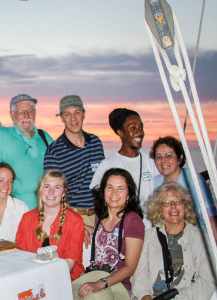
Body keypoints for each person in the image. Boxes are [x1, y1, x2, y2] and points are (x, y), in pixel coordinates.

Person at [131, 182, 216, 299]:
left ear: (186, 206)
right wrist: (146, 297)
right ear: (159, 209)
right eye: (166, 203)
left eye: (178, 201)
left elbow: (207, 281)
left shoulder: (201, 239)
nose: (173, 206)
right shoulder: (148, 237)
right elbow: (139, 274)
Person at [44, 95, 105, 250]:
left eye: (77, 112)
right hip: (73, 216)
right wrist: (78, 224)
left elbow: (103, 180)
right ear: (62, 118)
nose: (73, 118)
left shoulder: (96, 142)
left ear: (83, 114)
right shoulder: (54, 152)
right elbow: (53, 194)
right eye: (67, 114)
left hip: (101, 215)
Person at [151, 136, 217, 255]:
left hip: (197, 249)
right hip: (169, 251)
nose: (163, 160)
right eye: (158, 157)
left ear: (180, 158)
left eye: (169, 155)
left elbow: (210, 218)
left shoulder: (194, 179)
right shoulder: (155, 183)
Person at [78, 168, 144, 297]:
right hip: (94, 277)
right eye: (110, 187)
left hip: (119, 287)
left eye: (121, 188)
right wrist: (79, 227)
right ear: (103, 191)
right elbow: (103, 235)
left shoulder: (133, 221)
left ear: (129, 194)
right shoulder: (101, 215)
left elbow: (130, 268)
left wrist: (99, 284)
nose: (114, 193)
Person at [90, 108, 158, 228]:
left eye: (141, 127)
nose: (139, 132)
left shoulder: (151, 161)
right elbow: (99, 203)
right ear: (120, 132)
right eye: (132, 128)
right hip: (123, 234)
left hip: (150, 232)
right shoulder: (108, 165)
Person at [16, 170, 85, 281]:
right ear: (40, 190)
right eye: (47, 186)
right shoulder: (27, 218)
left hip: (68, 279)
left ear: (64, 192)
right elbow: (21, 257)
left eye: (57, 187)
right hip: (33, 279)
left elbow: (69, 263)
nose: (51, 192)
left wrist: (46, 282)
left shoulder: (75, 221)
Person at [0, 94, 53, 209]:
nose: (26, 116)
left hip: (46, 207)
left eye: (30, 111)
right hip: (14, 208)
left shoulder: (44, 136)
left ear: (35, 113)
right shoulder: (1, 135)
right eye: (21, 113)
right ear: (12, 115)